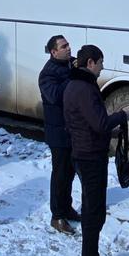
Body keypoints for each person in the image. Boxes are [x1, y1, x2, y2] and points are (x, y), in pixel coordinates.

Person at [64, 44, 129, 256]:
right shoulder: (83, 88)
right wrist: (121, 116)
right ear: (91, 62)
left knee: (96, 212)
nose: (103, 66)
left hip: (86, 152)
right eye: (101, 62)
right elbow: (100, 123)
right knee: (93, 215)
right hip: (89, 156)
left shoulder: (77, 84)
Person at [39, 34, 80, 234]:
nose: (69, 48)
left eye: (68, 44)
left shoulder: (70, 65)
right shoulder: (47, 74)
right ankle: (57, 216)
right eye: (64, 46)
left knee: (70, 173)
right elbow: (55, 96)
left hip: (71, 130)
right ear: (54, 52)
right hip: (58, 133)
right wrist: (73, 78)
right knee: (60, 175)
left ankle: (67, 207)